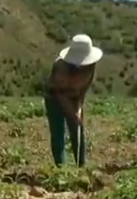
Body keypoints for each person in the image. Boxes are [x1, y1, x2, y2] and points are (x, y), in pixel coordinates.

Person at [44, 34, 103, 167]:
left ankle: (81, 165)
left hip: (74, 97)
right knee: (58, 132)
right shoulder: (61, 67)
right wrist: (72, 112)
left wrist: (79, 106)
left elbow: (85, 87)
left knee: (78, 128)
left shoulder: (91, 65)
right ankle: (61, 168)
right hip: (55, 97)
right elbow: (59, 94)